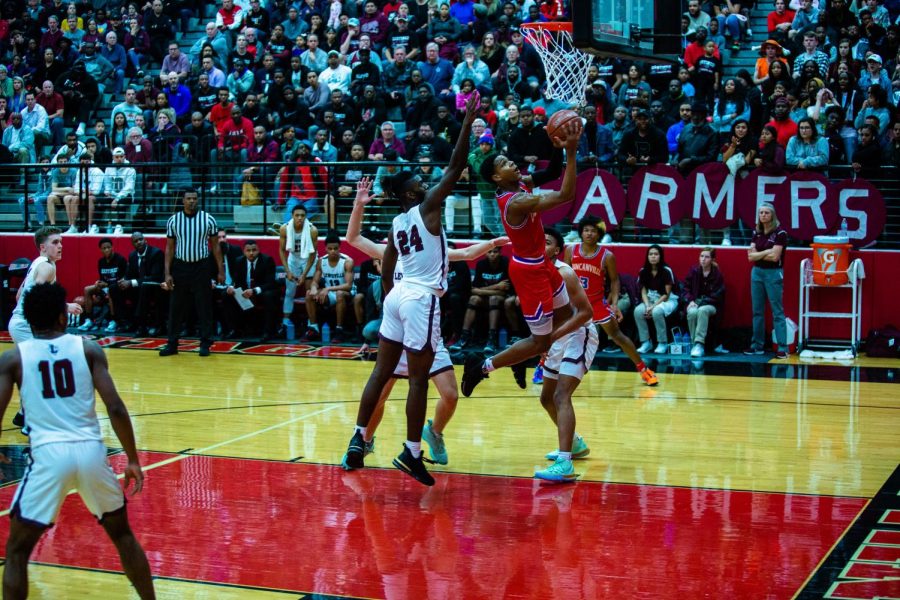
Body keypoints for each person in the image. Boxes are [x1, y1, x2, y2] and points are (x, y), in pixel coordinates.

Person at [340, 93, 480, 486]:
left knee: (381, 373)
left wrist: (389, 297)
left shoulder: (398, 223)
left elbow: (387, 265)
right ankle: (411, 452)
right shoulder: (426, 207)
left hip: (398, 298)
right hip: (420, 297)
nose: (423, 181)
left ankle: (358, 437)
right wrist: (466, 122)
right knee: (417, 381)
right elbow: (455, 166)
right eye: (418, 181)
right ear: (410, 193)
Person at [0, 282, 154, 599]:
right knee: (123, 536)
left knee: (16, 552)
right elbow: (115, 407)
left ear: (29, 320)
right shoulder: (88, 349)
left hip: (48, 457)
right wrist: (133, 459)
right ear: (62, 317)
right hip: (91, 454)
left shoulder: (14, 358)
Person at [343, 177, 505, 467]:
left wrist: (492, 242)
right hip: (399, 332)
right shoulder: (392, 250)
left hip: (427, 330)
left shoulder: (433, 251)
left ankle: (434, 432)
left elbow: (466, 253)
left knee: (451, 395)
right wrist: (358, 205)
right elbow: (353, 238)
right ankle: (364, 441)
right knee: (380, 395)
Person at [461, 116, 583, 397]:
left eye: (508, 159)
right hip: (528, 271)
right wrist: (573, 150)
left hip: (542, 262)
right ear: (495, 178)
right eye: (504, 164)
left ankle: (522, 357)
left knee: (565, 316)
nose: (511, 163)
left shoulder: (521, 183)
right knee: (540, 341)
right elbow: (566, 194)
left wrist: (557, 145)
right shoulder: (516, 202)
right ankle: (482, 366)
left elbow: (553, 170)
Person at [566, 217, 658, 386]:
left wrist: (614, 304)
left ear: (599, 234)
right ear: (581, 232)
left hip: (596, 303)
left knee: (617, 336)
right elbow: (562, 275)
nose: (589, 233)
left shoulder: (607, 256)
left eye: (593, 230)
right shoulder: (571, 250)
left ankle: (644, 369)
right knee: (559, 335)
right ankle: (543, 368)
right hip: (574, 304)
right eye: (586, 230)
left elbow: (615, 281)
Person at [6, 227, 83, 429]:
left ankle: (23, 414)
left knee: (38, 369)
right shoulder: (47, 267)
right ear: (43, 247)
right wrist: (66, 306)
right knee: (41, 371)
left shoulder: (37, 263)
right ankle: (30, 422)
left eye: (61, 242)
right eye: (55, 242)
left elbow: (19, 295)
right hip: (26, 324)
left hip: (19, 322)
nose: (60, 246)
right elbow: (36, 297)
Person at [536, 227, 596, 483]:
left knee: (562, 395)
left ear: (557, 250)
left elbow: (586, 312)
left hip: (578, 333)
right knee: (546, 397)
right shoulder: (533, 271)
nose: (541, 245)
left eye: (547, 242)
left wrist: (554, 335)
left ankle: (565, 462)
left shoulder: (565, 272)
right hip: (556, 336)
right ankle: (575, 444)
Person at [158, 188, 224, 357]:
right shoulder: (174, 221)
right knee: (176, 307)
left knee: (204, 307)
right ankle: (172, 344)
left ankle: (205, 344)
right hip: (180, 267)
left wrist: (220, 270)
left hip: (202, 266)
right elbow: (169, 248)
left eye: (194, 198)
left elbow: (216, 247)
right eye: (188, 198)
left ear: (198, 200)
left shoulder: (208, 219)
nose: (192, 201)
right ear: (183, 201)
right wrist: (167, 273)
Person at [745, 202, 789, 358]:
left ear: (773, 215)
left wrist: (760, 253)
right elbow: (750, 256)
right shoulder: (756, 232)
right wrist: (766, 252)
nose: (763, 215)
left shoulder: (780, 233)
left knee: (777, 311)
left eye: (766, 213)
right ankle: (757, 345)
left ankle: (783, 347)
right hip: (757, 272)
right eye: (761, 213)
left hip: (773, 273)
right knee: (757, 311)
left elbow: (775, 256)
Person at [450, 245, 511, 353]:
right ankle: (464, 337)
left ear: (500, 253)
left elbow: (505, 290)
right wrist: (496, 287)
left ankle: (491, 339)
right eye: (489, 252)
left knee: (494, 298)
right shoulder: (481, 264)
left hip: (501, 299)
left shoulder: (506, 263)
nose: (492, 254)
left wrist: (481, 291)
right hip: (486, 298)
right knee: (473, 299)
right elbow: (473, 290)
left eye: (495, 252)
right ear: (485, 253)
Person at [303, 231, 355, 343]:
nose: (333, 251)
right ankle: (314, 328)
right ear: (326, 249)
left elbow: (348, 286)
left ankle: (339, 331)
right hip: (330, 293)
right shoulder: (321, 261)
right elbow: (315, 281)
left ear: (339, 248)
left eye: (335, 248)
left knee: (340, 294)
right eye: (330, 248)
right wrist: (313, 288)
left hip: (347, 293)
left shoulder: (347, 261)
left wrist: (327, 289)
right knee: (309, 294)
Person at [227, 240, 279, 342]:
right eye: (248, 250)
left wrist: (254, 290)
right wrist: (231, 287)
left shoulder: (267, 260)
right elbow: (235, 280)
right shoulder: (239, 261)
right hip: (245, 292)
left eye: (254, 250)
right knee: (226, 295)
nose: (251, 253)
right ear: (244, 251)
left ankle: (268, 332)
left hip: (261, 291)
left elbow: (271, 283)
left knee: (269, 295)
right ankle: (234, 329)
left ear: (258, 250)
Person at [278, 204, 318, 332]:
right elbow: (281, 250)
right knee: (289, 292)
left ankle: (311, 324)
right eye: (297, 215)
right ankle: (284, 324)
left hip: (308, 260)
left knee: (309, 294)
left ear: (306, 217)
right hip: (293, 259)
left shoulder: (312, 230)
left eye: (302, 215)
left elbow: (313, 254)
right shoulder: (284, 228)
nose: (300, 218)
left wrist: (304, 274)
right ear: (292, 216)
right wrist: (287, 271)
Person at [634, 245, 679, 355]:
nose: (653, 256)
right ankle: (645, 342)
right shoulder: (643, 271)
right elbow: (643, 292)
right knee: (638, 311)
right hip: (650, 300)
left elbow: (666, 295)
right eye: (650, 254)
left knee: (657, 311)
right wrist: (647, 305)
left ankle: (662, 343)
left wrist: (652, 307)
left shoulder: (666, 271)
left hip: (668, 300)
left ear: (660, 256)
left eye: (656, 254)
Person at [118, 232, 165, 336]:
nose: (139, 242)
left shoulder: (156, 253)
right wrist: (123, 280)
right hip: (140, 286)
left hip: (156, 286)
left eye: (140, 239)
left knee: (145, 287)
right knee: (115, 288)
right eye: (135, 241)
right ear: (133, 244)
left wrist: (131, 282)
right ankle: (124, 322)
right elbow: (129, 274)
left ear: (145, 240)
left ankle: (144, 325)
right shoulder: (132, 255)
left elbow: (155, 277)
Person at [682, 247, 726, 358]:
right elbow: (685, 288)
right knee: (692, 312)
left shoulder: (717, 275)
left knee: (702, 310)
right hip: (694, 302)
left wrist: (700, 303)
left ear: (712, 260)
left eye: (706, 257)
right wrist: (690, 300)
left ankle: (699, 343)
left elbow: (717, 295)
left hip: (711, 305)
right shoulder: (694, 271)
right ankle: (694, 344)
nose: (703, 259)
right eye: (701, 256)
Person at [78, 238, 128, 333]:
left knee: (110, 290)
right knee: (87, 289)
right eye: (104, 248)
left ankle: (113, 321)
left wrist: (107, 285)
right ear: (100, 249)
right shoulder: (101, 261)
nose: (106, 250)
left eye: (108, 247)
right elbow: (102, 278)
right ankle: (89, 320)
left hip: (117, 288)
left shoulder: (120, 259)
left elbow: (124, 279)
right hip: (105, 287)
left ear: (112, 247)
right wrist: (98, 282)